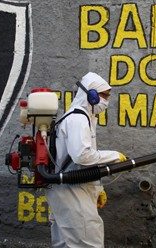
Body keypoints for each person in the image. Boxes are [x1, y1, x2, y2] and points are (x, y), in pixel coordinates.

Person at [46, 72, 126, 248]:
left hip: (71, 190)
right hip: (71, 191)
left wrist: (98, 189)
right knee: (88, 243)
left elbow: (83, 160)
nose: (106, 101)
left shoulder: (83, 118)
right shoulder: (78, 118)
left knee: (65, 244)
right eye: (104, 95)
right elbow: (82, 156)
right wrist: (114, 156)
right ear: (92, 95)